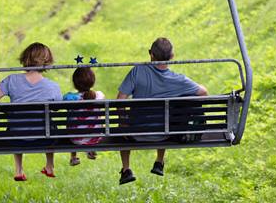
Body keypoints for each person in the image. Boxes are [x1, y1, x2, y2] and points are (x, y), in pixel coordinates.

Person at [117, 37, 208, 185]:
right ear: (172, 57)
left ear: (150, 54)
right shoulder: (179, 80)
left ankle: (126, 168)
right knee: (166, 117)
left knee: (123, 122)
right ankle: (159, 161)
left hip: (134, 134)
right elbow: (203, 93)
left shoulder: (137, 71)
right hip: (163, 134)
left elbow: (120, 100)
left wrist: (124, 121)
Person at [0, 42, 62, 181]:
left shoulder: (11, 80)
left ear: (25, 58)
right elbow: (57, 108)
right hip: (43, 138)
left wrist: (2, 112)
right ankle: (50, 165)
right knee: (49, 122)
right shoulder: (53, 86)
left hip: (16, 137)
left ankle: (19, 170)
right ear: (47, 61)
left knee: (17, 123)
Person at [63, 67, 105, 166]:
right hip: (95, 138)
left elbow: (64, 98)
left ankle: (73, 157)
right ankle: (91, 149)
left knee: (72, 122)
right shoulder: (99, 96)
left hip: (75, 139)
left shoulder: (70, 98)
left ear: (74, 83)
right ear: (93, 82)